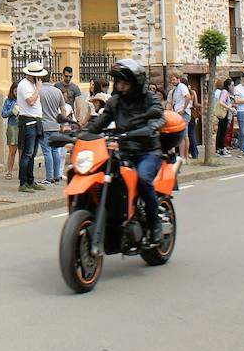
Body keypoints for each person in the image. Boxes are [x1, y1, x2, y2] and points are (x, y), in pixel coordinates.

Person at [83, 59, 165, 248]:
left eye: (124, 83)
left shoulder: (149, 99)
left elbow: (159, 117)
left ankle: (155, 225)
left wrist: (151, 127)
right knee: (104, 177)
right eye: (118, 82)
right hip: (124, 151)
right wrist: (81, 133)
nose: (120, 86)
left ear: (135, 84)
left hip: (147, 151)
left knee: (143, 180)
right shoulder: (115, 101)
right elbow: (100, 122)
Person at [16, 61, 46, 192]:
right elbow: (30, 101)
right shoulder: (24, 85)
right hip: (28, 123)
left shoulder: (32, 85)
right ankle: (23, 183)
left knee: (32, 154)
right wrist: (38, 88)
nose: (39, 79)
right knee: (27, 153)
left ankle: (30, 180)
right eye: (38, 77)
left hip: (36, 122)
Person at [38, 73, 67, 185]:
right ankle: (56, 175)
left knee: (47, 152)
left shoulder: (39, 91)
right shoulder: (57, 91)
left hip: (44, 126)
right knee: (55, 151)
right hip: (55, 125)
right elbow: (63, 110)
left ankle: (49, 177)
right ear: (50, 78)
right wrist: (63, 124)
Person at [169, 73, 191, 159]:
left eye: (174, 79)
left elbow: (188, 97)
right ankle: (184, 156)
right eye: (171, 80)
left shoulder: (182, 86)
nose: (172, 81)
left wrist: (183, 108)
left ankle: (183, 156)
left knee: (183, 135)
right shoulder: (175, 89)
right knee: (183, 135)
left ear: (178, 79)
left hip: (183, 113)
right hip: (178, 113)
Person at [1, 80, 19, 179]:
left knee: (22, 151)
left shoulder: (24, 100)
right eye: (15, 91)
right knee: (12, 151)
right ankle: (9, 171)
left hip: (22, 126)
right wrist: (12, 111)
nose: (17, 93)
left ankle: (22, 172)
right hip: (12, 127)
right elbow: (3, 114)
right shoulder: (8, 101)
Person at [213, 78, 233, 156]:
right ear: (228, 86)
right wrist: (229, 108)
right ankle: (220, 149)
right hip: (224, 113)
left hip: (225, 113)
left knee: (222, 131)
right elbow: (221, 102)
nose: (233, 87)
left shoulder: (225, 92)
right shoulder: (224, 92)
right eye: (232, 85)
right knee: (222, 131)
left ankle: (220, 148)